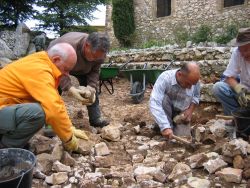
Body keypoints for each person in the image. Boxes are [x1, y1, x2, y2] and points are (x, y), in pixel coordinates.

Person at [0, 43, 88, 153]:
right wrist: (68, 138)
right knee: (38, 113)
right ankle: (6, 150)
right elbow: (53, 109)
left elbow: (54, 100)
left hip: (5, 107)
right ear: (56, 60)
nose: (67, 74)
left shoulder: (41, 61)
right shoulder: (40, 70)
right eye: (66, 69)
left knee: (41, 107)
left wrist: (69, 128)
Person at [48, 32, 110, 128]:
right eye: (94, 56)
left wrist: (91, 87)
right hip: (60, 63)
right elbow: (57, 68)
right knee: (54, 90)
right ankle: (51, 123)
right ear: (86, 45)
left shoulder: (99, 54)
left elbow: (94, 70)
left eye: (98, 58)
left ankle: (95, 119)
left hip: (83, 69)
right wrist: (69, 88)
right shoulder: (68, 46)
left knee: (91, 92)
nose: (95, 59)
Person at [149, 62, 200, 139]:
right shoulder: (165, 78)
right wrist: (165, 127)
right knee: (163, 99)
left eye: (192, 85)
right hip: (166, 109)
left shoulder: (193, 81)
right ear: (179, 75)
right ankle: (164, 124)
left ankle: (164, 126)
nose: (190, 88)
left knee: (183, 137)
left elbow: (196, 97)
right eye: (188, 84)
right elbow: (155, 102)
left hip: (181, 114)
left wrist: (190, 111)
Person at [213, 27, 250, 115]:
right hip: (244, 92)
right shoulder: (237, 53)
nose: (243, 54)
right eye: (241, 50)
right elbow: (228, 77)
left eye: (246, 50)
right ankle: (236, 117)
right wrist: (239, 89)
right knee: (219, 87)